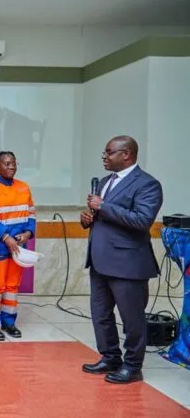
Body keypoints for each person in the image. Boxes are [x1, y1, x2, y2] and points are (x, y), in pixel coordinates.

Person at [81, 135, 162, 384]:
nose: (104, 156)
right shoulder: (105, 181)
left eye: (109, 152)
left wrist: (103, 206)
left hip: (128, 263)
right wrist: (87, 219)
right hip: (100, 261)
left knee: (132, 319)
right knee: (100, 315)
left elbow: (142, 220)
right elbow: (102, 217)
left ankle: (133, 366)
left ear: (126, 154)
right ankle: (110, 357)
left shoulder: (147, 184)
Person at [0, 151, 36, 340]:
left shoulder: (24, 187)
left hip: (18, 246)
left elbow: (31, 213)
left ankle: (9, 323)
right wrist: (5, 237)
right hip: (0, 245)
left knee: (12, 286)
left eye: (14, 163)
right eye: (7, 164)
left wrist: (28, 233)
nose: (12, 167)